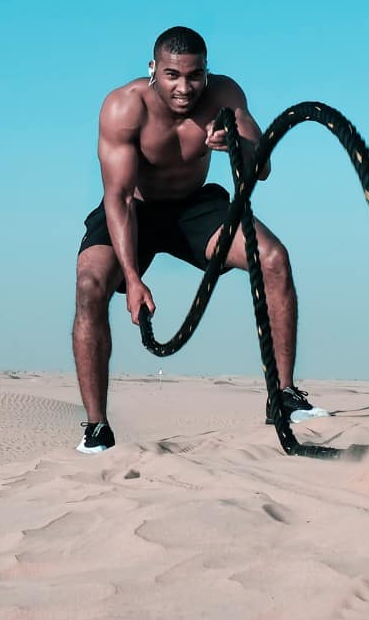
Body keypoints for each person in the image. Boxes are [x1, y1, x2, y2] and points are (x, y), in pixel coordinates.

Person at [72, 26, 328, 453]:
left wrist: (236, 146)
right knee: (89, 286)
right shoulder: (123, 107)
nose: (184, 87)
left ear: (207, 72)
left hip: (194, 207)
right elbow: (116, 198)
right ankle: (96, 427)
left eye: (195, 76)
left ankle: (283, 395)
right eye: (173, 75)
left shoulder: (224, 95)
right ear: (153, 69)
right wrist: (132, 279)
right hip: (135, 209)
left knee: (273, 259)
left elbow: (259, 169)